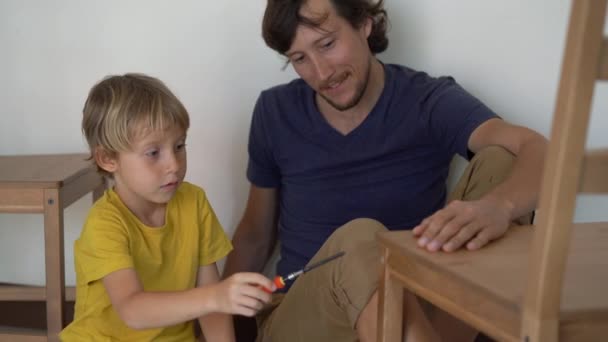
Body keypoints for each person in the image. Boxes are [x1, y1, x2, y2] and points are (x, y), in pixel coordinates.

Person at [223, 0, 548, 341]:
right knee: (361, 238)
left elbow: (540, 150)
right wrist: (218, 329)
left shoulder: (427, 100)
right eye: (300, 58)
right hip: (309, 320)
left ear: (364, 24)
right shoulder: (275, 113)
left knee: (503, 160)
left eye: (327, 44)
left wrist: (499, 207)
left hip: (419, 311)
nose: (321, 73)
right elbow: (255, 236)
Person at [60, 74, 275, 341]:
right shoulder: (104, 223)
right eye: (153, 153)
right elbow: (132, 310)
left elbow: (213, 307)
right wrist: (215, 297)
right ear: (108, 159)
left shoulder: (193, 202)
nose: (174, 164)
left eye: (179, 146)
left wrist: (217, 301)